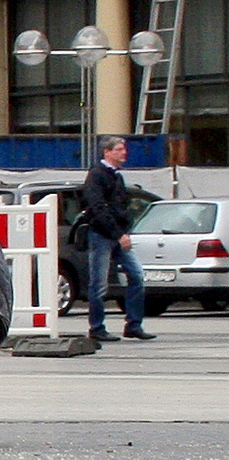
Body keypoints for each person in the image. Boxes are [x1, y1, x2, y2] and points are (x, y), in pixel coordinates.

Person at [83, 136, 156, 341]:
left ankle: (134, 324)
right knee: (98, 284)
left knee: (136, 275)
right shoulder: (97, 176)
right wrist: (118, 234)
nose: (124, 153)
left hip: (117, 236)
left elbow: (120, 206)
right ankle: (96, 328)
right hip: (101, 236)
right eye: (119, 149)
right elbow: (98, 208)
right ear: (107, 152)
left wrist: (124, 229)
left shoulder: (117, 177)